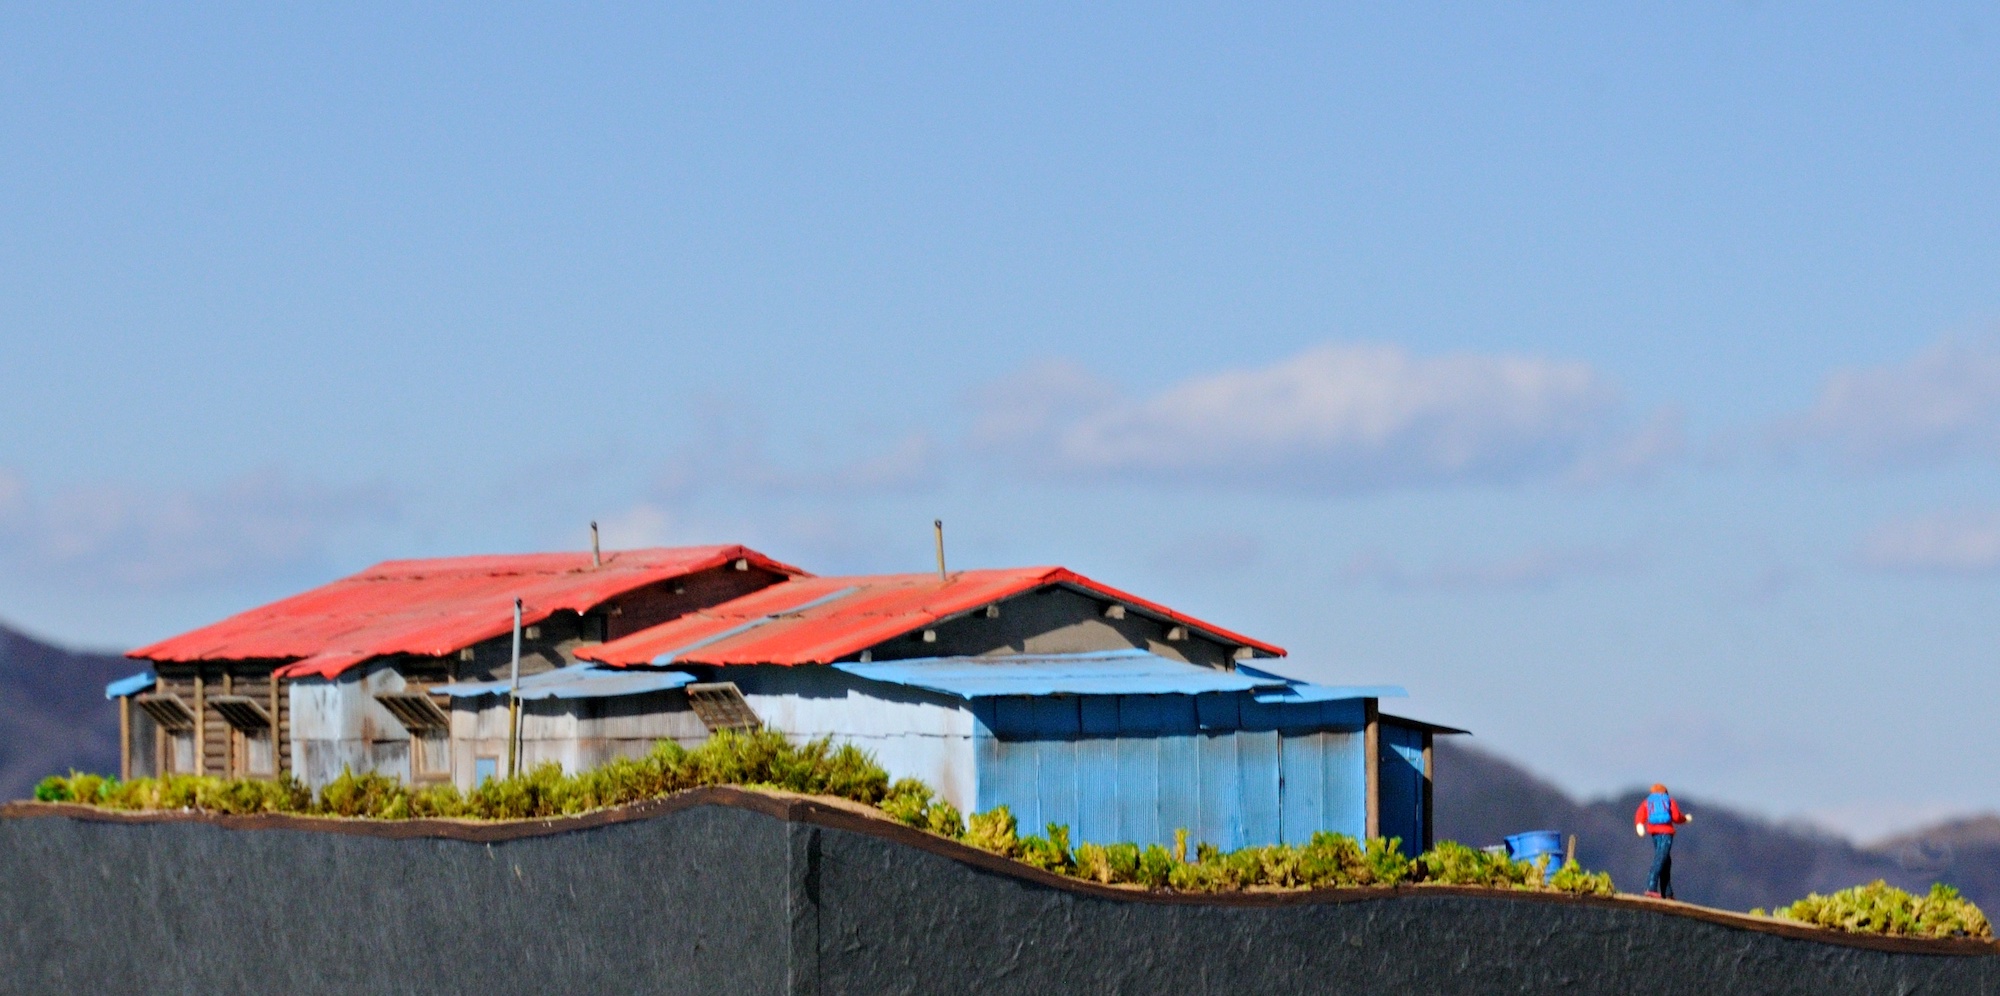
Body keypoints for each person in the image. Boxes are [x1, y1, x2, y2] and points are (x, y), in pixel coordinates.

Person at [1635, 783, 1692, 898]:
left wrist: (1639, 825)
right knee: (1660, 859)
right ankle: (1650, 887)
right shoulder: (1670, 801)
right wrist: (1685, 819)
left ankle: (1667, 892)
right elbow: (1676, 817)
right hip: (1666, 833)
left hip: (1654, 833)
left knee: (1665, 861)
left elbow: (1640, 815)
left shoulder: (1648, 802)